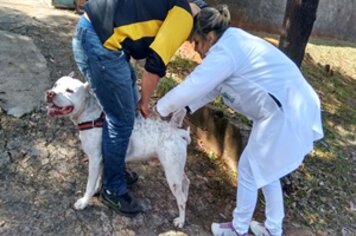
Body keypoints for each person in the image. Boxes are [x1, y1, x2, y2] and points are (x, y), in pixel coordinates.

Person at [156, 4, 324, 236]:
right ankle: (273, 229)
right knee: (267, 172)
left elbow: (194, 84)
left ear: (210, 36)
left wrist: (159, 107)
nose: (196, 50)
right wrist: (184, 107)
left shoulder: (226, 51)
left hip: (286, 112)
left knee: (248, 168)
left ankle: (239, 228)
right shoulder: (230, 44)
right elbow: (214, 87)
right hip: (280, 110)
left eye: (196, 42)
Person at [72, 0, 208, 217]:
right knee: (122, 119)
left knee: (127, 105)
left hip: (105, 38)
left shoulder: (178, 6)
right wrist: (145, 102)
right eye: (200, 45)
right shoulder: (183, 17)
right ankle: (112, 187)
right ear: (204, 32)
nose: (195, 47)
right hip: (99, 40)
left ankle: (116, 167)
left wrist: (140, 98)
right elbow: (154, 65)